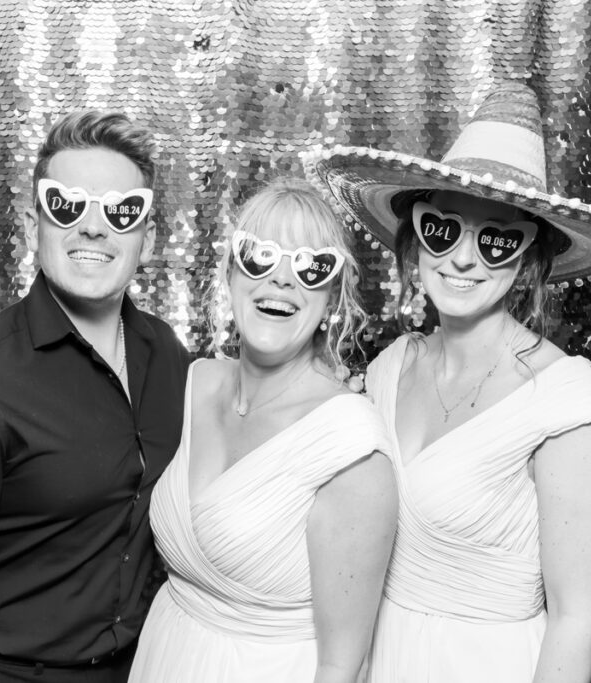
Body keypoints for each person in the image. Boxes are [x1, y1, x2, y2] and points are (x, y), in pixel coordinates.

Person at [314, 81, 591, 682]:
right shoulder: (391, 367)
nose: (462, 258)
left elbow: (578, 623)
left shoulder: (564, 400)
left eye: (497, 239)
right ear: (414, 238)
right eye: (443, 229)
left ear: (530, 260)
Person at [0, 109, 191, 683]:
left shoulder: (167, 355)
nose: (92, 228)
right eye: (67, 205)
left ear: (147, 239)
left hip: (149, 665)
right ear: (35, 225)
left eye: (120, 212)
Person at [128, 178, 397, 683]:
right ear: (230, 273)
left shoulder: (348, 445)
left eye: (310, 268)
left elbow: (345, 664)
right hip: (163, 655)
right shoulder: (193, 383)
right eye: (259, 256)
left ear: (332, 299)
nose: (280, 281)